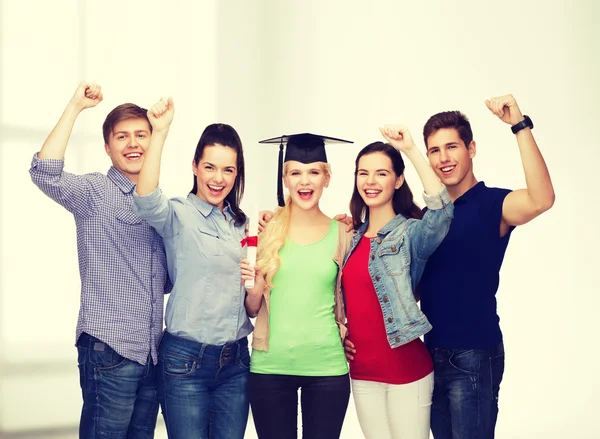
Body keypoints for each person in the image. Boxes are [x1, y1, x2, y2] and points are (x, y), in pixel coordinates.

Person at [29, 82, 170, 438]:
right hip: (111, 351)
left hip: (151, 354)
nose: (134, 143)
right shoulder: (95, 192)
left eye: (142, 135)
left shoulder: (159, 205)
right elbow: (44, 172)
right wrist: (76, 106)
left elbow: (167, 280)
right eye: (122, 137)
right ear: (108, 147)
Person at [419, 95, 555, 438]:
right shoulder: (427, 216)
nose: (444, 158)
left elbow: (542, 199)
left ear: (471, 149)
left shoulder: (492, 204)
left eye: (452, 147)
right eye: (434, 150)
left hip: (474, 355)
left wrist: (519, 125)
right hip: (428, 354)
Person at [132, 97, 252, 439]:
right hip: (185, 364)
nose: (218, 178)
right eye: (210, 167)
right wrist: (160, 132)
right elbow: (145, 197)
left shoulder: (241, 226)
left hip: (236, 363)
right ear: (195, 167)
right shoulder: (178, 214)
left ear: (237, 173)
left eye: (228, 169)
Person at [342, 125, 454, 439]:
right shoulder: (349, 239)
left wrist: (411, 150)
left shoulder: (410, 233)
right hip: (362, 373)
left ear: (398, 179)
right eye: (363, 173)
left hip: (407, 371)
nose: (370, 181)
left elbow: (442, 211)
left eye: (381, 173)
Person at [241, 133, 353, 439]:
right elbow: (252, 308)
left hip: (327, 368)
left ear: (327, 178)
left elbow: (354, 295)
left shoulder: (343, 233)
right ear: (285, 179)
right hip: (270, 367)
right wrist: (254, 286)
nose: (305, 182)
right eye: (295, 173)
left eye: (314, 172)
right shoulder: (264, 232)